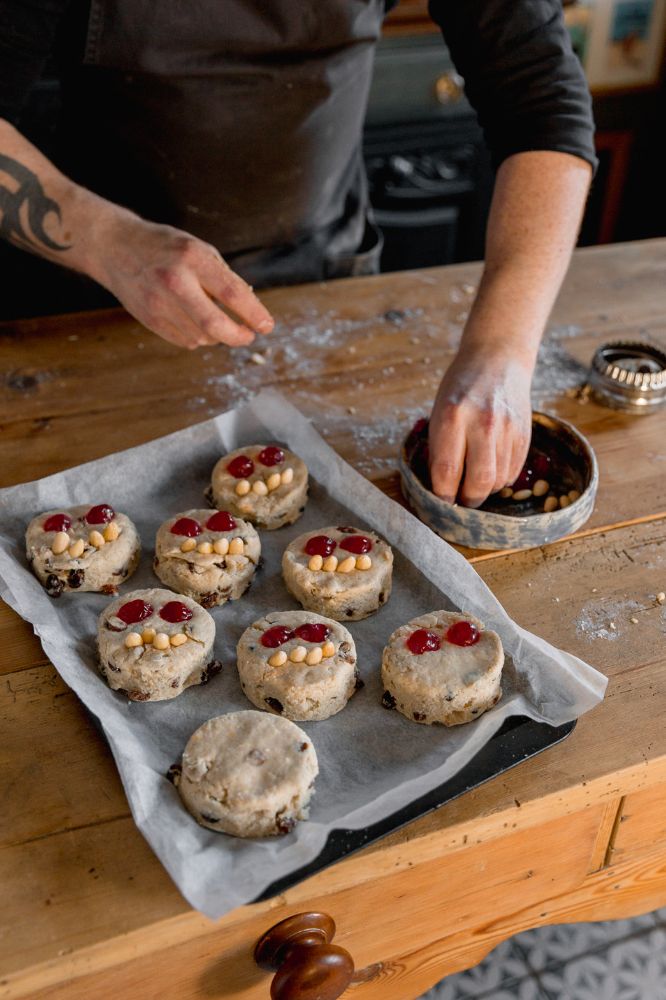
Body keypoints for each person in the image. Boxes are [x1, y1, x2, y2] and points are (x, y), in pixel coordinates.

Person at [0, 0, 596, 508]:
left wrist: (502, 351)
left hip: (325, 280)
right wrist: (109, 240)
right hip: (86, 302)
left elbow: (542, 103)